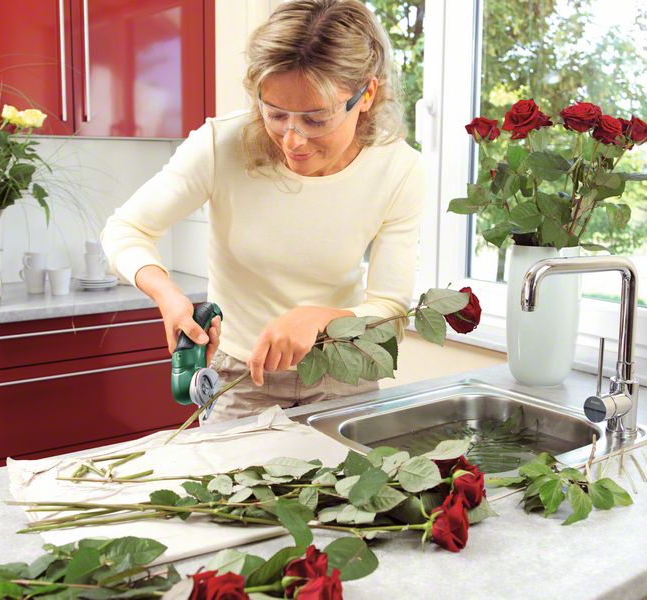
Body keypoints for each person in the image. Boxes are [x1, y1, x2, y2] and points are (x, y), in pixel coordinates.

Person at [101, 0, 426, 422]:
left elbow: (391, 308)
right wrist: (167, 295)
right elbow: (125, 229)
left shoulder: (398, 168)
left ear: (366, 95)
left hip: (343, 373)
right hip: (240, 380)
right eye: (274, 114)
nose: (292, 139)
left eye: (315, 120)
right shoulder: (221, 145)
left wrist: (320, 319)